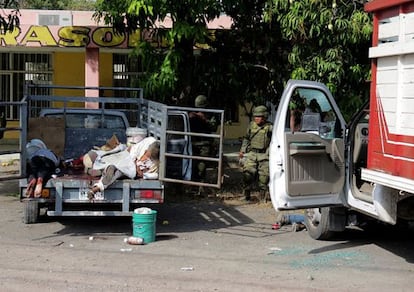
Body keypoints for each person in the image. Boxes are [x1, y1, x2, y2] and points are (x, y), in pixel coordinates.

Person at [87, 137, 160, 200]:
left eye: (149, 156)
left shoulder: (155, 165)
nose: (146, 156)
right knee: (114, 161)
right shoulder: (149, 141)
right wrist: (134, 161)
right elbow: (133, 150)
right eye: (147, 153)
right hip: (130, 158)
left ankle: (97, 186)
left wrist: (143, 175)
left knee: (119, 171)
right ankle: (99, 171)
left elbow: (154, 175)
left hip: (132, 172)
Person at [239, 105, 273, 202]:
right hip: (252, 154)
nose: (256, 118)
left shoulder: (270, 127)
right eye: (255, 116)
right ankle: (246, 196)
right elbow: (246, 138)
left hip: (264, 155)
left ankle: (263, 198)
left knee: (264, 178)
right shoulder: (251, 125)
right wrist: (242, 150)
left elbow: (275, 140)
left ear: (264, 116)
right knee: (247, 175)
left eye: (259, 116)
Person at [189, 95, 218, 185]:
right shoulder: (193, 114)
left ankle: (200, 187)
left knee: (202, 166)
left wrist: (204, 119)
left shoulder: (210, 114)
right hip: (193, 143)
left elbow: (213, 127)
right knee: (192, 165)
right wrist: (191, 117)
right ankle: (193, 186)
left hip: (205, 143)